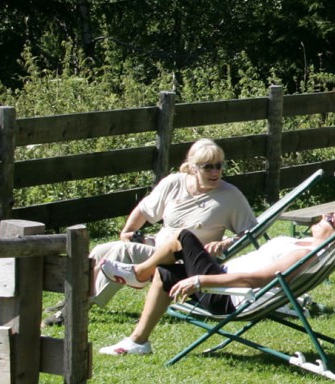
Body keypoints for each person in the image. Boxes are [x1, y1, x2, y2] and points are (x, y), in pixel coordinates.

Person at [97, 204, 335, 356]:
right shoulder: (304, 244)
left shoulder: (306, 254)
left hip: (228, 295)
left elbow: (262, 279)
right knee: (166, 274)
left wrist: (201, 280)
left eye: (329, 218)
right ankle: (138, 341)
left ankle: (138, 274)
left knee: (183, 237)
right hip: (223, 281)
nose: (321, 217)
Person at [47, 139, 257, 326]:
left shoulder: (230, 196)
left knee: (119, 253)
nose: (215, 172)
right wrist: (128, 230)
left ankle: (75, 312)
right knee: (102, 250)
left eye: (219, 166)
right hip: (157, 247)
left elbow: (251, 231)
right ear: (193, 168)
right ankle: (71, 298)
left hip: (184, 262)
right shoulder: (175, 183)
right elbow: (145, 209)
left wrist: (227, 242)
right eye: (208, 167)